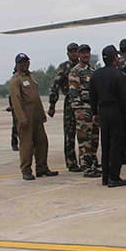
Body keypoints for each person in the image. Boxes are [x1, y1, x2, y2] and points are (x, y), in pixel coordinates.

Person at [89, 45, 126, 188]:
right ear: (114, 58)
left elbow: (92, 95)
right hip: (116, 111)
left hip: (103, 111)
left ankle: (105, 177)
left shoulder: (96, 75)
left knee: (106, 144)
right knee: (117, 144)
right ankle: (114, 177)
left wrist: (94, 113)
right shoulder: (119, 75)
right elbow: (124, 97)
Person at [8, 53, 58, 181]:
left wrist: (42, 114)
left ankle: (42, 167)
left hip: (36, 116)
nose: (24, 64)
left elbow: (36, 98)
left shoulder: (30, 77)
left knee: (42, 142)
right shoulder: (15, 80)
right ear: (17, 64)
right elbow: (16, 101)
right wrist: (21, 118)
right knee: (26, 145)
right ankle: (26, 170)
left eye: (26, 61)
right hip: (26, 117)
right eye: (21, 62)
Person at [68, 44, 101, 178]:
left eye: (87, 53)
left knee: (94, 139)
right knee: (84, 141)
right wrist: (78, 111)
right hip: (82, 110)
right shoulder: (75, 71)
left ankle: (93, 164)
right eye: (83, 53)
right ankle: (86, 167)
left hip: (93, 110)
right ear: (79, 55)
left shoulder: (92, 70)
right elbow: (73, 93)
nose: (85, 55)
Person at [48, 42, 80, 171]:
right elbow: (55, 86)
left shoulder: (83, 66)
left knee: (85, 134)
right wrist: (52, 104)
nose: (74, 54)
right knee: (70, 133)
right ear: (68, 54)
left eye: (75, 51)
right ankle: (71, 162)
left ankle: (86, 161)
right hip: (70, 102)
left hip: (83, 102)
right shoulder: (64, 67)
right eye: (71, 52)